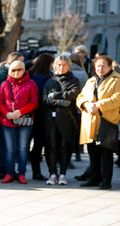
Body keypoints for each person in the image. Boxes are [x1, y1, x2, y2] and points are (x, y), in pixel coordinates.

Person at [76, 55, 120, 190]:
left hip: (106, 121)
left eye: (103, 66)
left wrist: (98, 105)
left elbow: (117, 99)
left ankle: (106, 180)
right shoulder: (91, 81)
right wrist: (86, 104)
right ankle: (94, 178)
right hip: (90, 121)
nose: (100, 68)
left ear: (109, 66)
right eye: (98, 66)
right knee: (92, 151)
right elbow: (80, 97)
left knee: (106, 153)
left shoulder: (116, 80)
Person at [0, 60, 39, 184]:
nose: (16, 72)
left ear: (24, 70)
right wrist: (7, 113)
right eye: (13, 70)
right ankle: (9, 173)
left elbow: (34, 103)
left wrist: (20, 111)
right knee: (9, 149)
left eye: (19, 69)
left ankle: (22, 173)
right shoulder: (4, 84)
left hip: (24, 120)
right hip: (7, 120)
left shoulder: (31, 84)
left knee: (23, 148)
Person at [42, 55, 80, 186]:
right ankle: (52, 174)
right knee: (51, 147)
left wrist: (55, 96)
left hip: (66, 118)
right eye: (58, 65)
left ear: (68, 66)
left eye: (64, 65)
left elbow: (73, 95)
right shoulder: (50, 81)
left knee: (64, 147)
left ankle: (63, 174)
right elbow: (45, 100)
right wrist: (61, 101)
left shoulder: (73, 80)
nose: (61, 67)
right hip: (50, 119)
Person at [0, 52, 24, 178]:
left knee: (8, 144)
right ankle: (5, 169)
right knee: (6, 144)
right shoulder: (2, 77)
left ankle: (7, 169)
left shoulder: (0, 75)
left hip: (11, 115)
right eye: (20, 61)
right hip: (4, 115)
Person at [27, 53, 54, 180]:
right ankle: (41, 172)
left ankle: (35, 171)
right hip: (43, 114)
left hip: (32, 114)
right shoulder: (44, 78)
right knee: (43, 145)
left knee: (36, 145)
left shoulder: (31, 75)